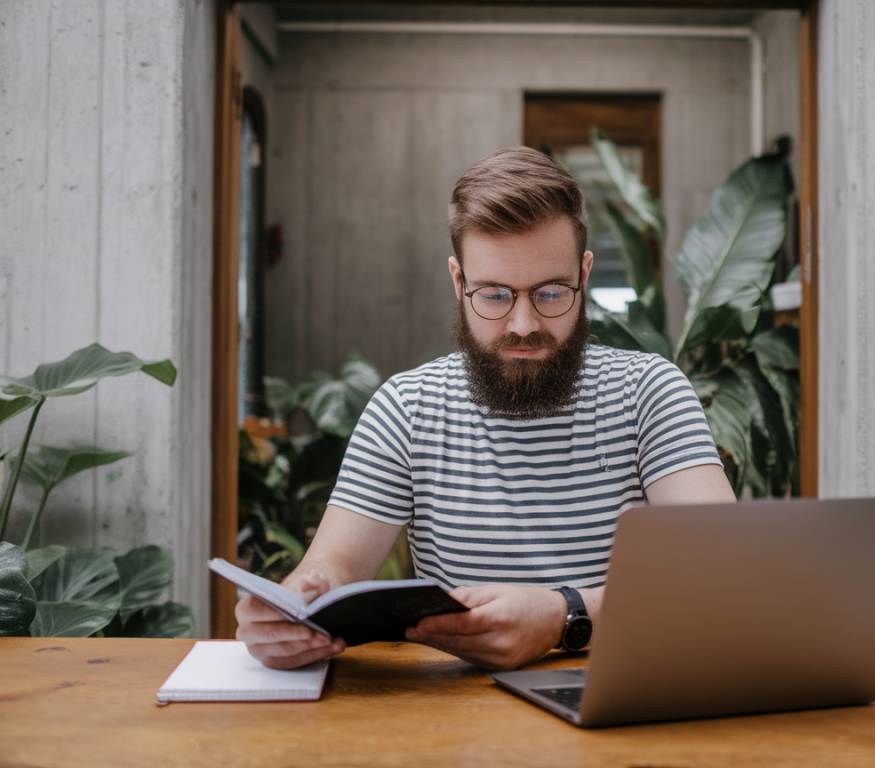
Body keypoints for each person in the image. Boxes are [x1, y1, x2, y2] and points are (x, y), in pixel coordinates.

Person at [236, 147, 735, 671]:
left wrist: (565, 617)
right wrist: (291, 615)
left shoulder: (649, 393)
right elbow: (332, 569)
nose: (522, 323)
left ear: (584, 276)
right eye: (494, 295)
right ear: (459, 281)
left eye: (549, 292)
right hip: (455, 716)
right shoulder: (407, 408)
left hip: (621, 700)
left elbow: (722, 572)